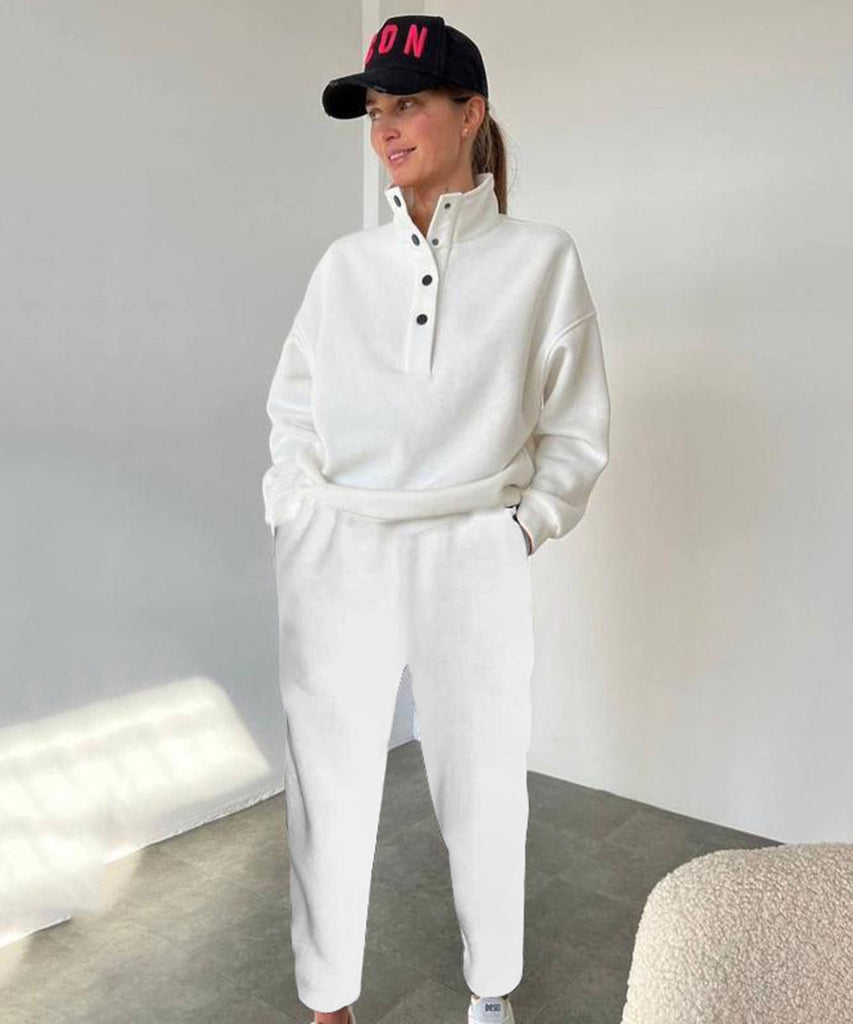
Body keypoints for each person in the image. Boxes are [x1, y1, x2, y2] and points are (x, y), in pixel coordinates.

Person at [262, 14, 611, 1024]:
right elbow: (292, 407)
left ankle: (490, 990)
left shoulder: (541, 259)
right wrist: (293, 508)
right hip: (338, 547)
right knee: (327, 784)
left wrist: (521, 527)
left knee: (483, 784)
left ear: (470, 113)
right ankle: (328, 1000)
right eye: (374, 109)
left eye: (407, 104)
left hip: (470, 547)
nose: (385, 128)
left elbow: (576, 426)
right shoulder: (345, 265)